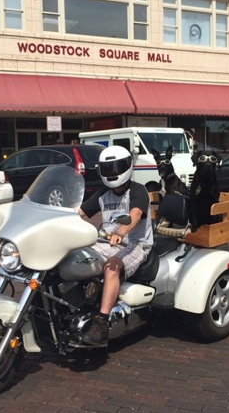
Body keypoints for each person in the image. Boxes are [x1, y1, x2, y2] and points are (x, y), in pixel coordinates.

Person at [78, 145, 153, 346]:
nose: (112, 173)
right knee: (76, 256)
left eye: (116, 168)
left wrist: (120, 232)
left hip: (136, 243)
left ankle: (101, 323)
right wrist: (56, 216)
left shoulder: (138, 191)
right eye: (108, 169)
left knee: (112, 266)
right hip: (106, 242)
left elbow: (135, 214)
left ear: (127, 167)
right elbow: (81, 212)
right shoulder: (103, 193)